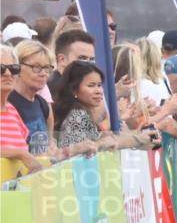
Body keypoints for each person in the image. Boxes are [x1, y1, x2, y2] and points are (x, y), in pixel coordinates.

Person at [52, 60, 158, 153]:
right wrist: (139, 139)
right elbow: (104, 145)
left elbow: (107, 140)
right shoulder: (78, 117)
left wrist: (140, 137)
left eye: (99, 85)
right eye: (91, 86)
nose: (98, 91)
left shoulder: (83, 114)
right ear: (74, 90)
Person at [0, 44, 44, 175]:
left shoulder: (12, 110)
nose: (8, 73)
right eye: (1, 69)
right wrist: (20, 154)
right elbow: (23, 154)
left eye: (13, 69)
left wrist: (66, 151)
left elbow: (29, 154)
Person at [10, 40, 56, 155]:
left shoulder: (42, 104)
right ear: (18, 67)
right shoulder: (8, 103)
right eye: (36, 67)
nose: (43, 73)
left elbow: (49, 143)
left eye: (47, 68)